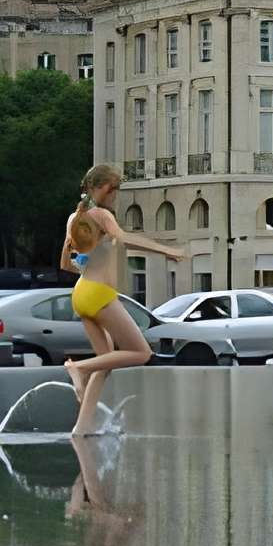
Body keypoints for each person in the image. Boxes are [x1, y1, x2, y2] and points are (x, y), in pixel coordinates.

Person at [61, 164, 182, 436]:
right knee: (142, 353)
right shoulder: (102, 215)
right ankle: (77, 367)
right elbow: (124, 239)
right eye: (115, 191)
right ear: (105, 188)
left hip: (81, 292)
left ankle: (81, 428)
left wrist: (91, 265)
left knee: (105, 362)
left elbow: (66, 264)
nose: (116, 196)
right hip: (99, 294)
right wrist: (167, 251)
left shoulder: (73, 218)